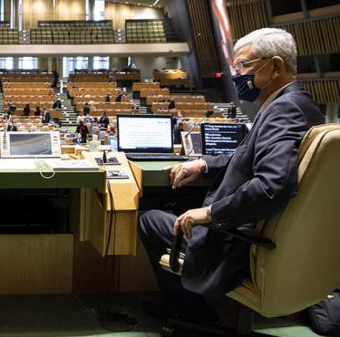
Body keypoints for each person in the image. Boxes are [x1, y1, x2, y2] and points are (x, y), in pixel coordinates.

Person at [138, 28, 325, 321]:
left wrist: (210, 213)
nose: (236, 74)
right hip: (276, 237)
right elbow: (251, 155)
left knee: (149, 219)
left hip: (239, 240)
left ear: (275, 66)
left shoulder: (283, 111)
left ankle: (190, 310)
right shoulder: (302, 105)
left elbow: (271, 186)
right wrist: (203, 164)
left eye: (244, 65)